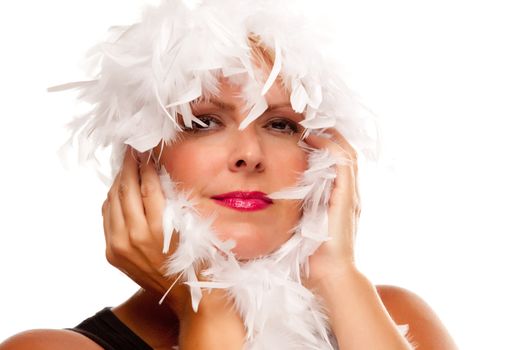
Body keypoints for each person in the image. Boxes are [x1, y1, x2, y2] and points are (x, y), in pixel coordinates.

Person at [0, 0, 457, 349]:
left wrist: (337, 273)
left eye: (281, 124)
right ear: (140, 155)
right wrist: (208, 310)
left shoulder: (396, 318)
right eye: (203, 122)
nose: (250, 154)